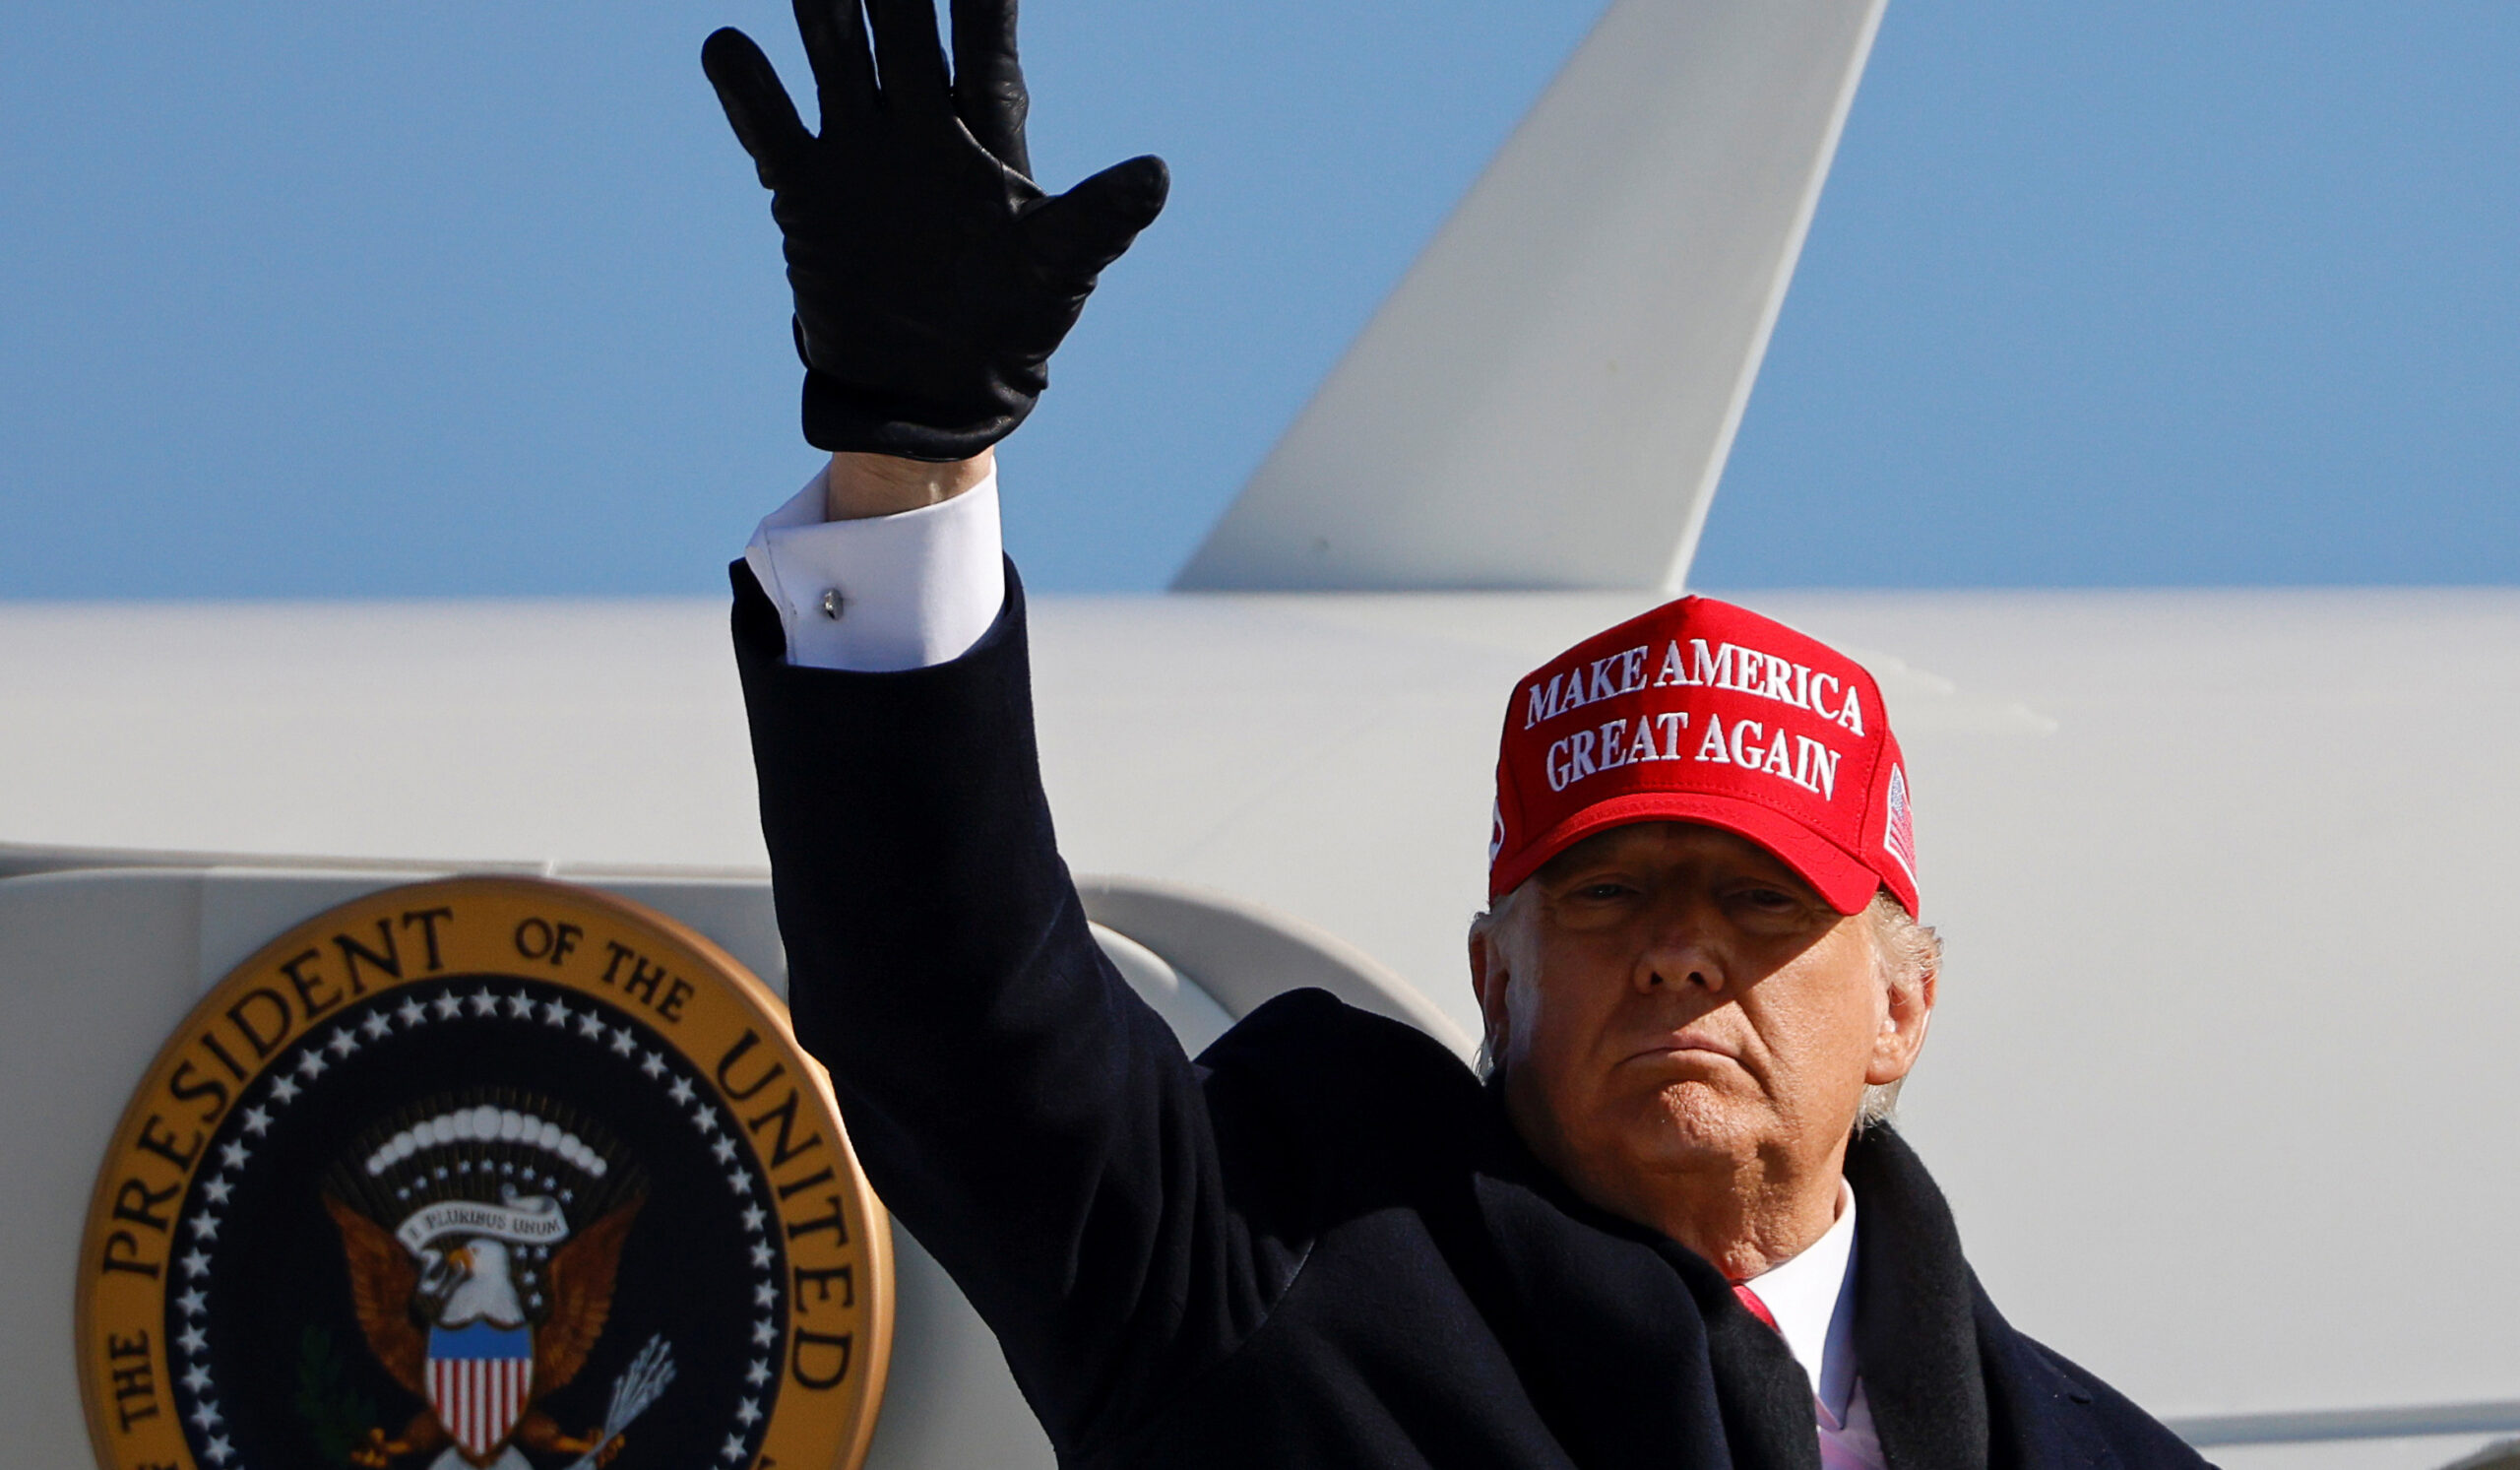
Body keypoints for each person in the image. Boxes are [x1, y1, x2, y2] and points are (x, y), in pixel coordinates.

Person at [705, 2, 2211, 1465]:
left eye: (1761, 898)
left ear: (1902, 1004)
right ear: (1496, 979)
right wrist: (909, 459)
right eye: (1606, 891)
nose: (1678, 951)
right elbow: (963, 1015)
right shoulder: (1280, 1259)